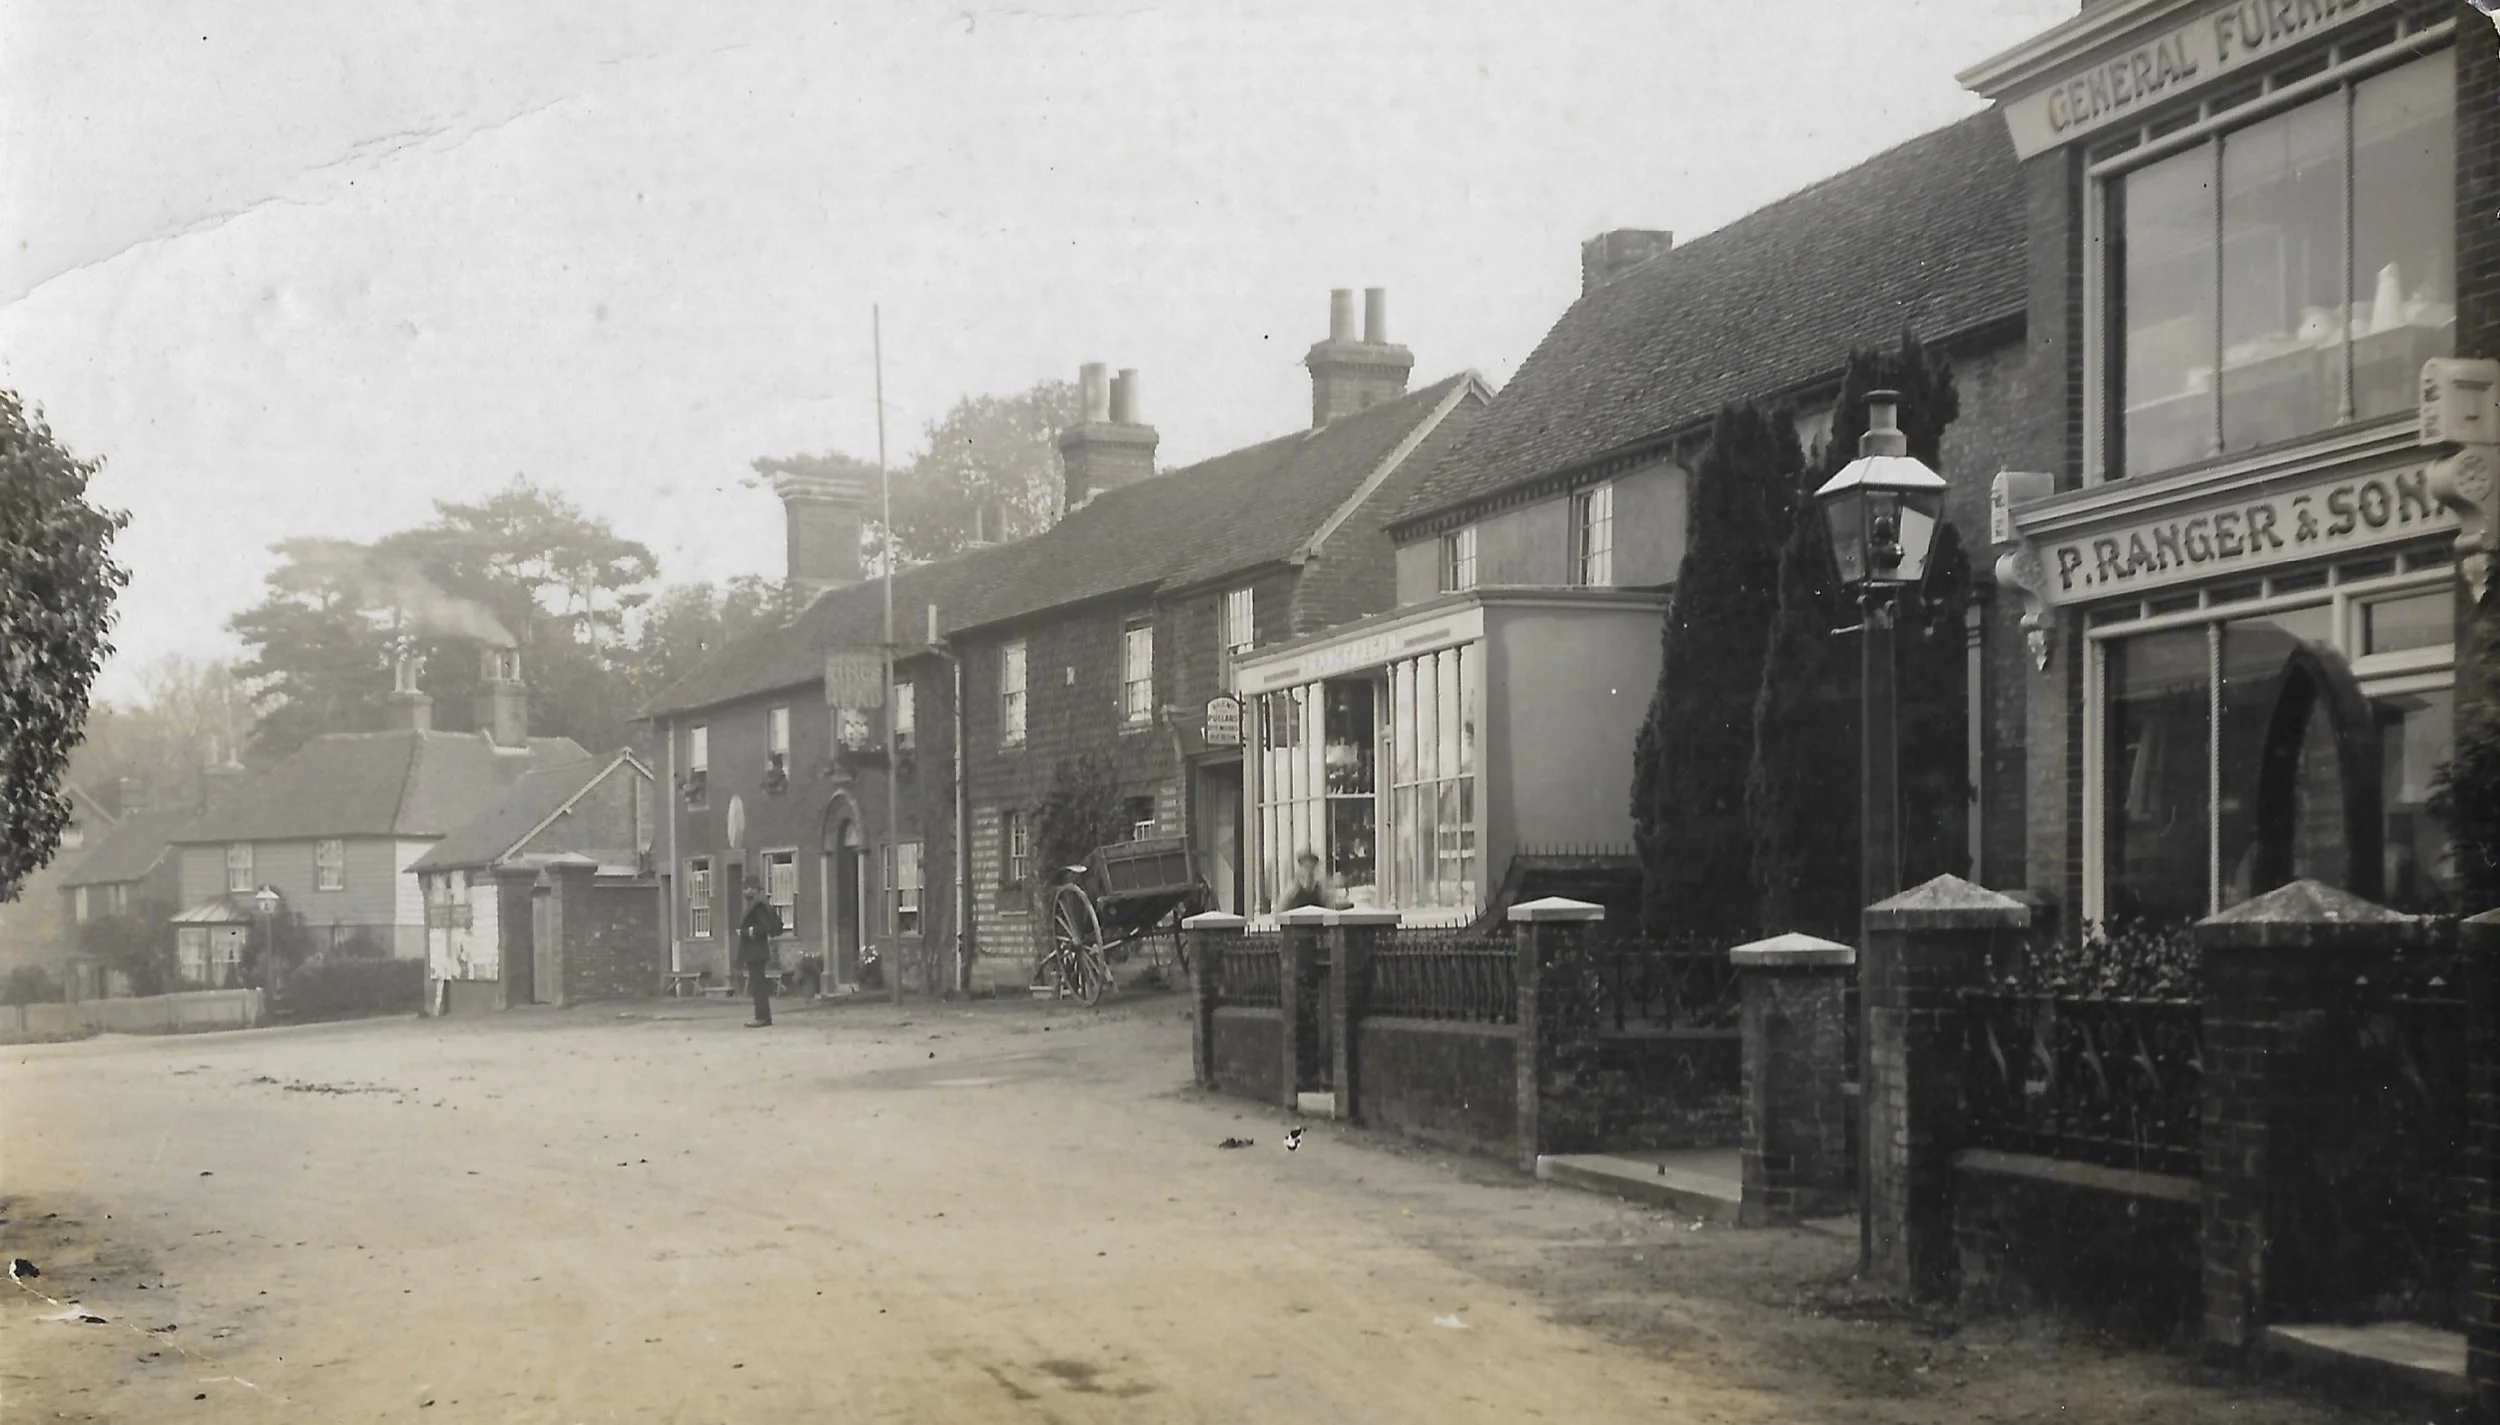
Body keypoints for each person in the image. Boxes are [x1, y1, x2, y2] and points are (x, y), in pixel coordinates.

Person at [735, 880, 782, 1027]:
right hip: (755, 951)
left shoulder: (758, 906)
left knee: (758, 985)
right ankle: (763, 1016)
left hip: (756, 950)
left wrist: (744, 932)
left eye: (747, 888)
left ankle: (762, 1017)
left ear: (755, 889)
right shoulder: (755, 905)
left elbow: (763, 927)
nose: (744, 892)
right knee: (757, 984)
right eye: (744, 888)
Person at [1280, 849, 1349, 912]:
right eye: (1306, 868)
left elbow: (1330, 910)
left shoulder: (1321, 891)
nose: (1309, 872)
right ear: (1300, 869)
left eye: (1312, 868)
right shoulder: (1293, 890)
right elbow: (1280, 911)